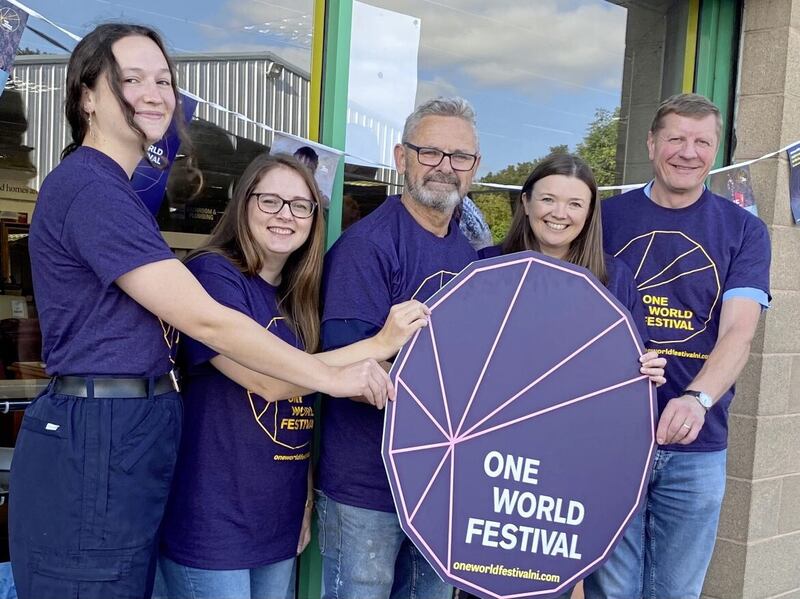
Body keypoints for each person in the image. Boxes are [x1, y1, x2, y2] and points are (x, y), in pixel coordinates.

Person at [9, 24, 423, 599]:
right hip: (99, 431)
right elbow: (207, 321)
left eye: (163, 80)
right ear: (86, 95)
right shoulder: (90, 187)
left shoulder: (115, 191)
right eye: (131, 79)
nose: (154, 93)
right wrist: (337, 371)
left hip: (129, 428)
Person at [156, 153, 425, 599]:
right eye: (270, 201)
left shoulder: (296, 298)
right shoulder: (212, 277)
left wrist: (303, 497)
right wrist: (378, 346)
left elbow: (298, 411)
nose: (286, 215)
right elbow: (271, 383)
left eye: (301, 206)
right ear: (244, 204)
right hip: (211, 522)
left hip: (277, 520)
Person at [584, 93, 771, 599]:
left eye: (701, 141)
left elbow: (739, 331)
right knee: (611, 590)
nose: (688, 152)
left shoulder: (744, 230)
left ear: (714, 152)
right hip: (612, 438)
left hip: (697, 444)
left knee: (675, 591)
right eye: (676, 139)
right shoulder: (603, 218)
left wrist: (697, 398)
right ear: (652, 143)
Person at [475, 153, 667, 599]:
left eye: (575, 204)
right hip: (490, 458)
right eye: (548, 199)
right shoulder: (485, 269)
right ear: (525, 202)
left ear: (589, 213)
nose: (559, 213)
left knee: (553, 581)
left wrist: (647, 374)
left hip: (570, 465)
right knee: (485, 576)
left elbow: (631, 376)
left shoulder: (614, 280)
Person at [315, 97, 482, 599]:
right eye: (430, 152)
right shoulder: (368, 246)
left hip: (439, 486)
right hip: (368, 486)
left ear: (475, 168)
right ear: (401, 157)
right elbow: (350, 372)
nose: (444, 167)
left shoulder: (468, 250)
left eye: (459, 157)